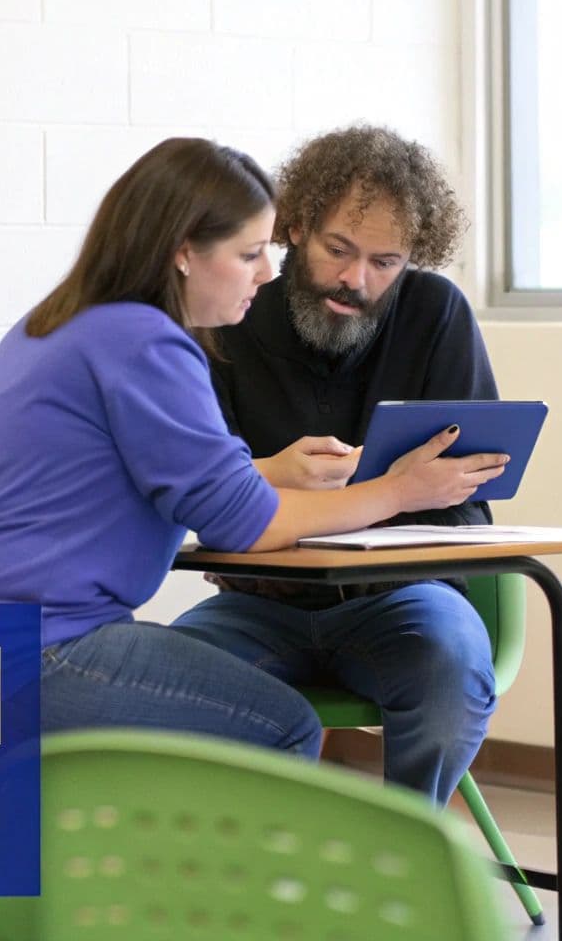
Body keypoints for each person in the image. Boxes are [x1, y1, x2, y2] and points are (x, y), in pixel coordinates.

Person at [0, 136, 508, 762]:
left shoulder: (60, 324)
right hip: (29, 650)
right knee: (282, 726)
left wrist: (265, 470)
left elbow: (144, 477)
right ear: (185, 253)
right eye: (249, 254)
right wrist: (399, 490)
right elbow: (244, 521)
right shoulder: (149, 345)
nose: (268, 272)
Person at [170, 123, 500, 806]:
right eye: (338, 250)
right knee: (165, 689)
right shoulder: (229, 313)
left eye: (385, 262)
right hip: (261, 607)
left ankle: (405, 863)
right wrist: (287, 474)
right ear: (294, 228)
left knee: (452, 672)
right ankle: (234, 876)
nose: (356, 280)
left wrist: (378, 500)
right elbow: (210, 497)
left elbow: (467, 498)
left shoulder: (436, 314)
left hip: (403, 602)